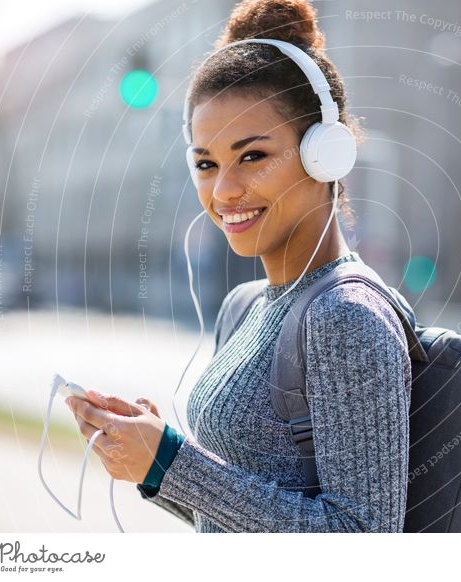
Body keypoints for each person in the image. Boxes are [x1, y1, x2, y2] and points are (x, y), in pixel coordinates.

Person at [65, 0, 411, 532]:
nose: (224, 191)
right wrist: (152, 463)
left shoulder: (347, 316)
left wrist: (173, 463)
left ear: (325, 153)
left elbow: (361, 538)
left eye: (252, 156)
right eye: (206, 163)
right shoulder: (243, 306)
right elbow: (236, 513)